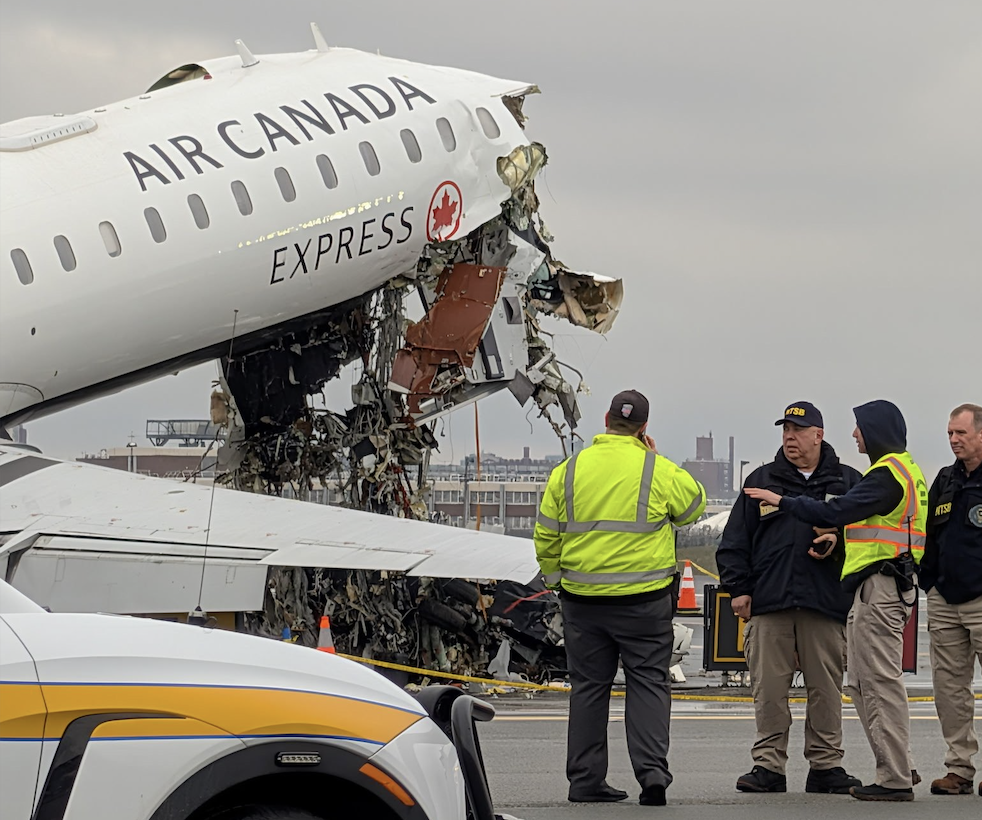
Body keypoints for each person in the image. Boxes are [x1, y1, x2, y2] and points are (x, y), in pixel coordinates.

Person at [745, 399, 927, 802]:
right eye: (786, 430)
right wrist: (837, 540)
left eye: (860, 427)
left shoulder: (882, 476)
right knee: (862, 684)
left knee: (875, 684)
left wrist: (783, 501)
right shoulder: (897, 472)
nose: (855, 434)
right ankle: (899, 767)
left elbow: (839, 511)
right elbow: (863, 527)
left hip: (872, 590)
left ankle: (894, 776)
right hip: (862, 589)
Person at [534, 389, 706, 806]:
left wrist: (557, 582)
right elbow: (693, 508)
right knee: (648, 683)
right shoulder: (656, 468)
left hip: (583, 601)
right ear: (644, 429)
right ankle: (653, 777)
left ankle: (585, 780)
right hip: (644, 602)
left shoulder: (568, 471)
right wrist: (654, 456)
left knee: (588, 688)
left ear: (606, 420)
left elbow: (546, 535)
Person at [717, 401, 863, 795]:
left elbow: (867, 538)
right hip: (770, 603)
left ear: (819, 435)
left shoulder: (847, 482)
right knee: (768, 690)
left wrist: (838, 541)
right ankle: (768, 766)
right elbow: (734, 542)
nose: (789, 437)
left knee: (826, 690)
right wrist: (739, 589)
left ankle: (826, 765)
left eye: (798, 430)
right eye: (785, 430)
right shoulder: (762, 481)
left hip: (825, 604)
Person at [919, 403, 982, 798]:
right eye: (950, 434)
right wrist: (929, 582)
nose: (954, 440)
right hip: (944, 599)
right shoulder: (945, 479)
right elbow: (929, 533)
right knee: (949, 689)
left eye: (961, 433)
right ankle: (959, 768)